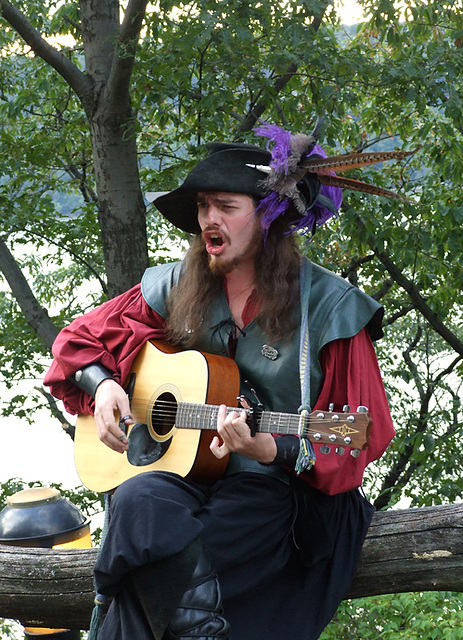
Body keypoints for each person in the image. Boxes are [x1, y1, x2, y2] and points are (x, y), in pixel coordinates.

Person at [44, 124, 395, 640]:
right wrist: (103, 387)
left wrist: (269, 447)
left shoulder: (330, 307)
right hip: (189, 475)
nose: (209, 218)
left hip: (277, 493)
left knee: (170, 548)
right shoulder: (176, 286)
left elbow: (361, 437)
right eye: (204, 206)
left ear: (269, 218)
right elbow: (76, 343)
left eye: (225, 206)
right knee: (138, 503)